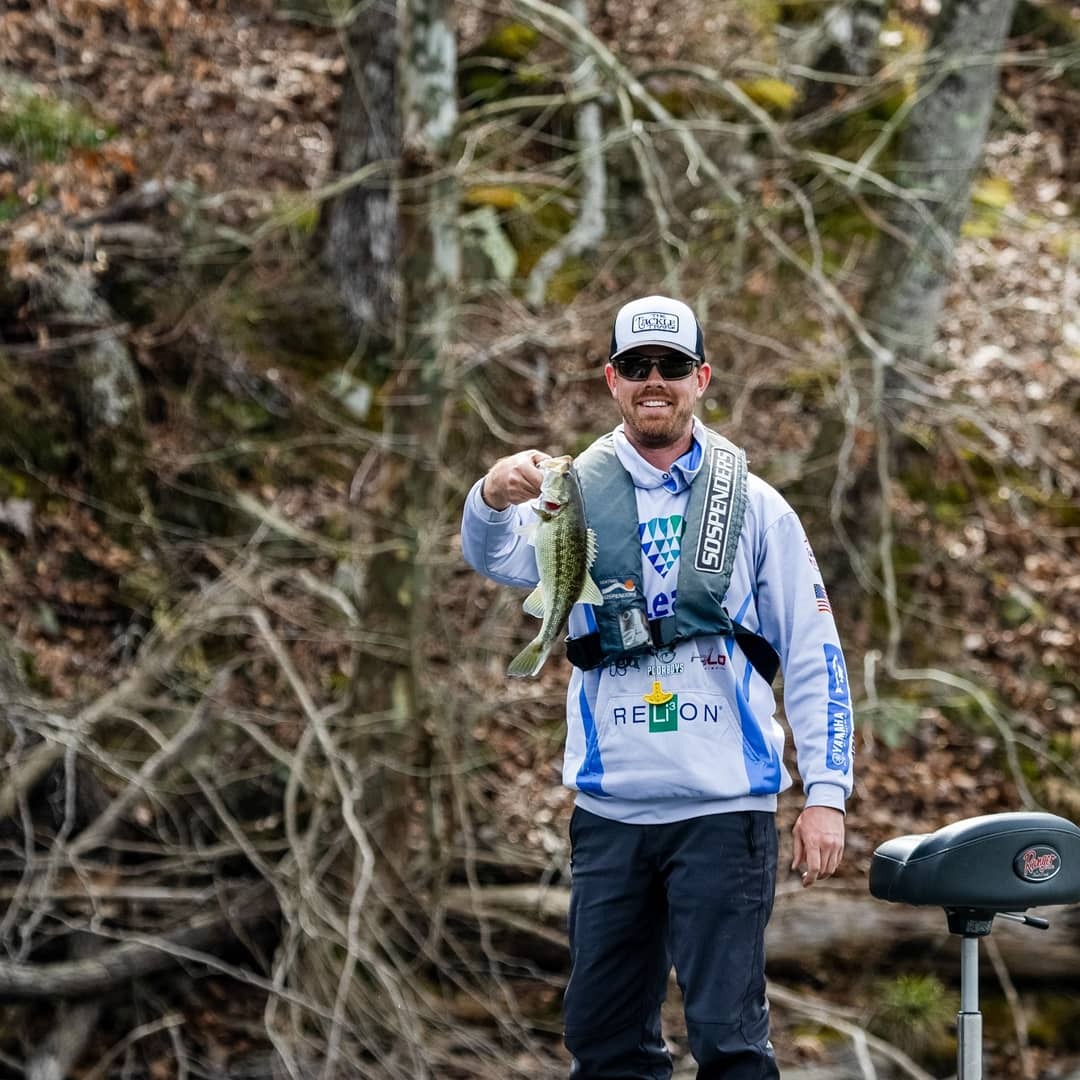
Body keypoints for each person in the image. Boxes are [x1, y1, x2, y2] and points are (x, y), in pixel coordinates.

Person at [460, 295, 853, 1079]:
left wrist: (826, 793)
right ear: (611, 380)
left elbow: (815, 652)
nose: (654, 381)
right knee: (603, 1042)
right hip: (611, 813)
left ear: (701, 378)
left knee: (729, 1040)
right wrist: (491, 495)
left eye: (672, 367)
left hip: (726, 808)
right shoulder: (568, 492)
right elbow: (494, 557)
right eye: (636, 366)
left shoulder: (760, 508)